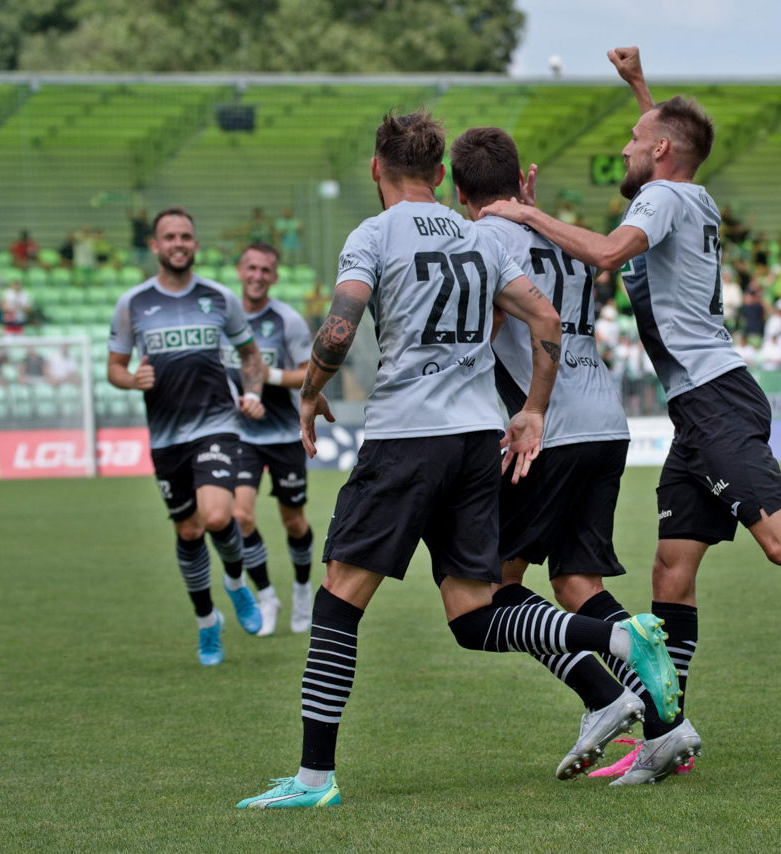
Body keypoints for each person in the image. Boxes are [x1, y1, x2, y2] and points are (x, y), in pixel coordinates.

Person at [482, 46, 781, 786]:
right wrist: (640, 90)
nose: (621, 147)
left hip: (715, 399)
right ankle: (664, 734)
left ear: (660, 153)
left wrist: (521, 211)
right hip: (700, 405)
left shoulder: (665, 199)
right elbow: (665, 139)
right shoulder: (690, 193)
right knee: (671, 571)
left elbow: (608, 252)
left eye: (633, 140)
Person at [236, 110, 679, 810]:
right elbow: (546, 320)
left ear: (376, 169)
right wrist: (531, 408)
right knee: (473, 612)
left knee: (338, 601)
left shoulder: (373, 234)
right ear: (440, 175)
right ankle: (619, 640)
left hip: (406, 436)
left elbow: (341, 325)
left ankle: (313, 780)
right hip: (479, 440)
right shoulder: (477, 237)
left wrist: (312, 392)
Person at [453, 125, 651, 780]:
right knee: (574, 583)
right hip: (605, 420)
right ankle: (666, 723)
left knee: (491, 594)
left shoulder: (482, 238)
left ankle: (606, 692)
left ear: (460, 194)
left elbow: (492, 329)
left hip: (551, 428)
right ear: (520, 181)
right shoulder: (554, 230)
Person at [107, 206, 270, 667]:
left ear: (195, 245)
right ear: (155, 246)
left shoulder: (220, 298)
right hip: (165, 438)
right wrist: (129, 379)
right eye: (169, 237)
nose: (178, 243)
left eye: (186, 236)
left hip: (217, 424)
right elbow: (114, 368)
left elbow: (250, 356)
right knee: (188, 529)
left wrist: (253, 392)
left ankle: (236, 584)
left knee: (218, 517)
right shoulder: (132, 304)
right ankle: (207, 623)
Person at [225, 242, 317, 638]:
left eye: (266, 270)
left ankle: (300, 588)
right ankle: (266, 595)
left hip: (282, 435)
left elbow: (310, 372)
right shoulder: (224, 320)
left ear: (274, 277)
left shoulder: (287, 321)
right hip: (240, 434)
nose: (258, 275)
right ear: (240, 271)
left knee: (293, 521)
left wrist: (270, 377)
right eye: (251, 268)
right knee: (240, 516)